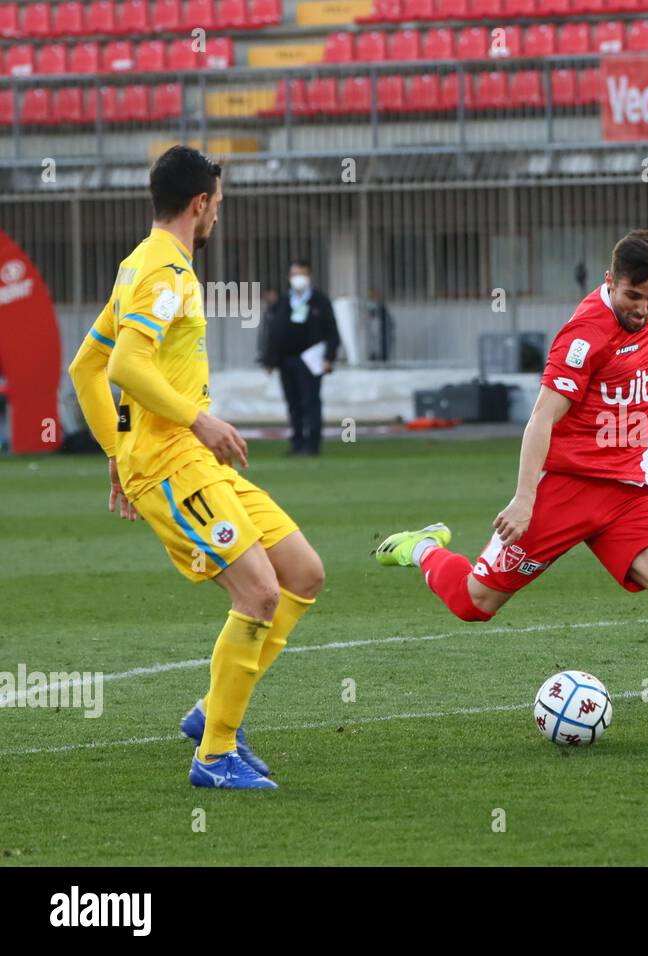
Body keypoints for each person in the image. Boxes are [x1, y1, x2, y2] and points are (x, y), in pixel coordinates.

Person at [372, 230, 648, 747]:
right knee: (473, 603)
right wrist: (525, 498)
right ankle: (420, 548)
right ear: (609, 282)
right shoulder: (583, 337)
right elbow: (541, 419)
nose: (642, 309)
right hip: (566, 490)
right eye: (632, 296)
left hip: (629, 495)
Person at [66, 145, 325, 789]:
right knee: (259, 592)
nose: (218, 219)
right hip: (174, 463)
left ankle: (216, 706)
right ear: (200, 203)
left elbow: (86, 368)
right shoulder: (162, 274)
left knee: (302, 572)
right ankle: (214, 753)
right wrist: (195, 420)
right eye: (218, 206)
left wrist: (115, 449)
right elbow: (122, 367)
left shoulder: (143, 265)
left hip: (184, 459)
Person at [260, 260, 339, 457]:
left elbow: (332, 332)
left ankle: (312, 444)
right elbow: (274, 332)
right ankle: (297, 442)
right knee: (293, 403)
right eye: (294, 274)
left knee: (310, 402)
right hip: (287, 360)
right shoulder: (284, 302)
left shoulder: (320, 301)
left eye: (301, 273)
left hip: (311, 361)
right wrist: (270, 360)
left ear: (309, 275)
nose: (297, 278)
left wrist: (329, 357)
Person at [366, 287, 394, 364]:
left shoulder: (382, 309)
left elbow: (389, 324)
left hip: (381, 342)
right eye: (371, 295)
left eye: (374, 295)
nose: (373, 297)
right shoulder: (367, 308)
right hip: (371, 343)